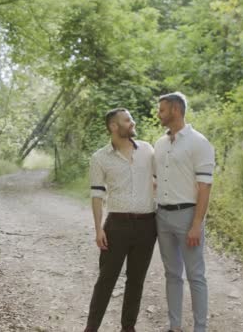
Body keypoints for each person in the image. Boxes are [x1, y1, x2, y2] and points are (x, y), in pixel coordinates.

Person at [84, 108, 157, 332]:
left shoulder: (147, 150)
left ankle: (128, 328)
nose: (132, 123)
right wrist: (99, 229)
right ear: (114, 127)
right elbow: (97, 195)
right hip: (116, 225)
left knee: (136, 281)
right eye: (127, 120)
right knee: (106, 281)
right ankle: (91, 328)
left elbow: (159, 178)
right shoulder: (100, 158)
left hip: (147, 225)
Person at [154, 92, 215, 332]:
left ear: (176, 110)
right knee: (171, 274)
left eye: (162, 110)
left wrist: (196, 223)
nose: (159, 114)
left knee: (195, 275)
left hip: (188, 215)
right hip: (162, 216)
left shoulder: (199, 142)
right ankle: (174, 326)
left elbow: (205, 186)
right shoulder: (159, 144)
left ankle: (200, 328)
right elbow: (157, 180)